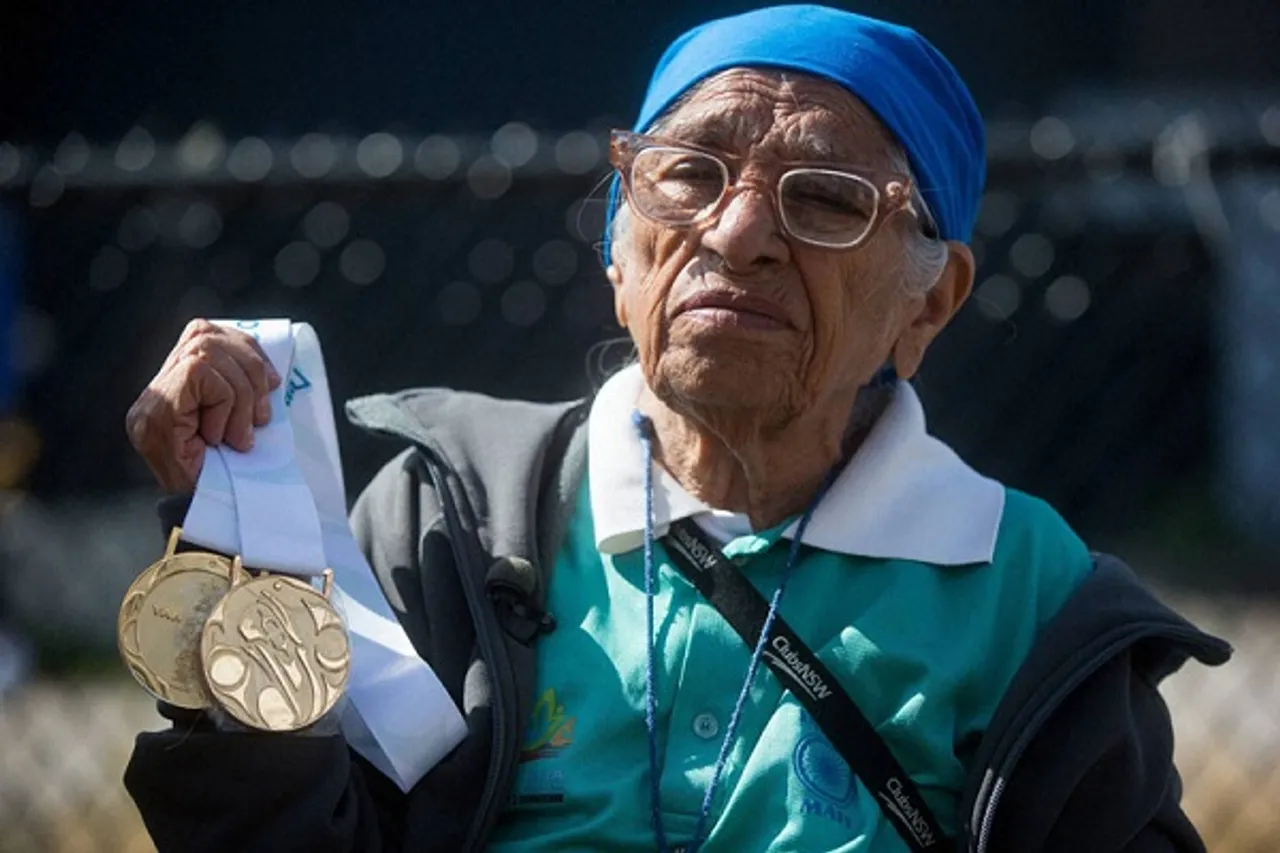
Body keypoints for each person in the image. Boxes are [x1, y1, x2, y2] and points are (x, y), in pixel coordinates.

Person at [121, 6, 1231, 852]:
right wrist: (239, 542)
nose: (737, 231)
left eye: (829, 198)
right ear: (618, 254)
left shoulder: (1029, 594)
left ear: (927, 302)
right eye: (687, 174)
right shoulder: (450, 518)